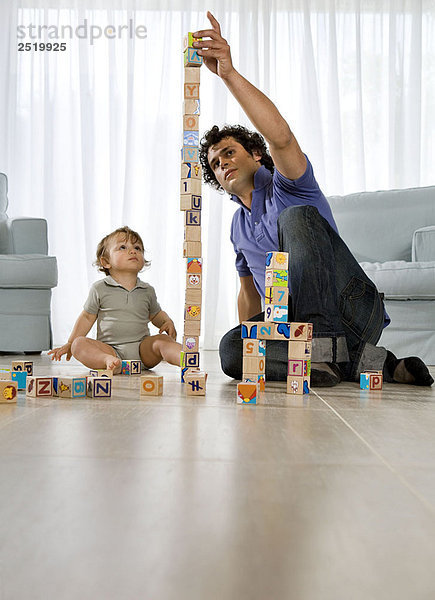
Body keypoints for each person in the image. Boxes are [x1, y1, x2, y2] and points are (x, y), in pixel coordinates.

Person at [194, 12, 433, 387]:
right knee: (230, 350)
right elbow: (248, 295)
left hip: (348, 308)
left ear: (257, 154)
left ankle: (323, 351)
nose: (222, 163)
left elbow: (283, 138)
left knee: (297, 217)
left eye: (229, 152)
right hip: (293, 328)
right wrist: (256, 342)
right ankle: (376, 365)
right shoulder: (238, 227)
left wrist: (228, 74)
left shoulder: (290, 185)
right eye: (215, 163)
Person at [49, 226, 182, 374]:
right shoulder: (100, 288)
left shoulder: (147, 290)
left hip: (143, 351)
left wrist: (166, 322)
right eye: (123, 247)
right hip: (110, 349)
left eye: (137, 248)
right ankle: (108, 362)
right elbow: (87, 317)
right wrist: (69, 342)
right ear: (106, 262)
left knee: (163, 341)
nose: (133, 251)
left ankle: (188, 361)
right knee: (78, 344)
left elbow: (156, 314)